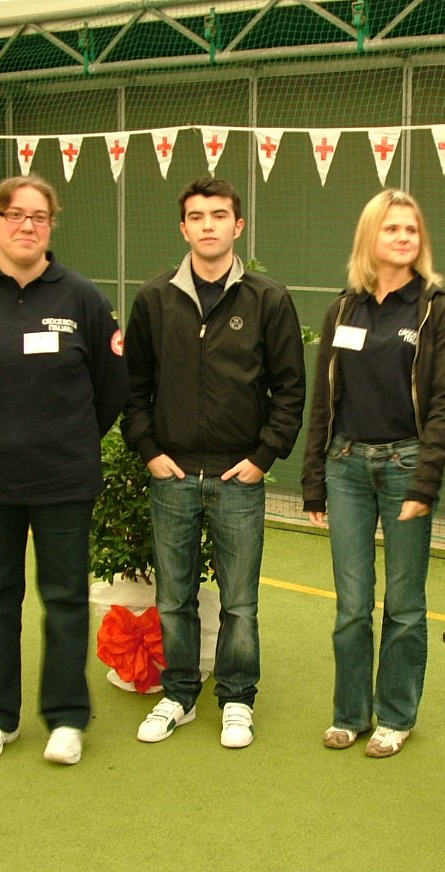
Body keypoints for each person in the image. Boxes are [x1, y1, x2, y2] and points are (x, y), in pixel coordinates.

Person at [0, 175, 128, 766]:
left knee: (65, 597)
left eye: (39, 216)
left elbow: (110, 389)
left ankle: (66, 719)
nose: (27, 225)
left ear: (51, 227)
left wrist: (61, 441)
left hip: (64, 479)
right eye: (15, 214)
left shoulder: (83, 299)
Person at [122, 176, 306, 750]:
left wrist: (261, 457)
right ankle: (178, 694)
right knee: (173, 597)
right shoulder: (154, 299)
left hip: (237, 480)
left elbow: (290, 390)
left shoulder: (267, 299)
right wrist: (150, 452)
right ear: (183, 228)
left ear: (238, 226)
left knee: (240, 601)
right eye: (197, 216)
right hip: (172, 477)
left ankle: (237, 699)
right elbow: (133, 389)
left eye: (219, 215)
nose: (208, 224)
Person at [301, 190, 445, 758]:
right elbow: (324, 398)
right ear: (370, 237)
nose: (403, 237)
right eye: (391, 228)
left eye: (411, 229)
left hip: (405, 467)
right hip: (344, 467)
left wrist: (426, 481)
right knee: (351, 603)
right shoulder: (342, 309)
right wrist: (313, 477)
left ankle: (396, 715)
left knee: (404, 604)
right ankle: (350, 713)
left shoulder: (434, 309)